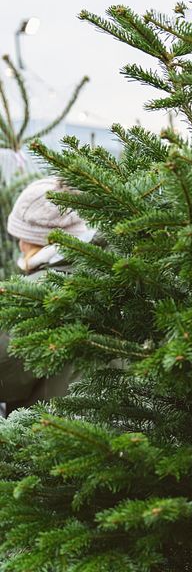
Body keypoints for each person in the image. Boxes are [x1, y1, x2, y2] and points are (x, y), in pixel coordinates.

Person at [0, 176, 93, 415]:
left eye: (22, 236)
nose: (19, 244)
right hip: (129, 440)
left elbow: (7, 377)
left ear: (35, 239)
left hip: (54, 437)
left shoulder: (34, 295)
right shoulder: (114, 273)